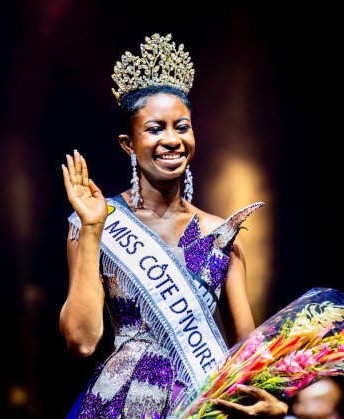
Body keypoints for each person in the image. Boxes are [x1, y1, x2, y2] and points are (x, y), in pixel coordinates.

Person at [60, 33, 288, 418]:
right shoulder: (96, 222)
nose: (172, 140)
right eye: (155, 129)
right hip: (123, 404)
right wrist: (94, 227)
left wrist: (274, 404)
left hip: (201, 405)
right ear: (128, 144)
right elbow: (82, 342)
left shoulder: (222, 235)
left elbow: (248, 355)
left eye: (182, 127)